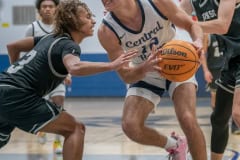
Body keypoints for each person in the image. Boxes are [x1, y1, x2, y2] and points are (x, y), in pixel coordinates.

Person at [0, 0, 136, 160]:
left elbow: (12, 46)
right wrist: (111, 65)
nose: (93, 20)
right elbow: (75, 67)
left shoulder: (48, 38)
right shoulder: (68, 45)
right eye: (87, 16)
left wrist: (15, 74)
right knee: (75, 129)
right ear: (73, 19)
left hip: (3, 86)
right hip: (19, 96)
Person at [98, 0, 207, 159]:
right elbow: (125, 75)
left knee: (188, 119)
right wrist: (144, 68)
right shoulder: (106, 31)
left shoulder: (156, 3)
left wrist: (197, 40)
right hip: (144, 71)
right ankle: (175, 145)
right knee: (130, 126)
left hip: (176, 62)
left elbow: (191, 25)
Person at [180, 0, 240, 159]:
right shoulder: (192, 1)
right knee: (219, 118)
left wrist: (191, 24)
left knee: (238, 112)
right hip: (230, 60)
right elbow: (171, 16)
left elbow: (222, 25)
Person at [25, 0, 69, 153]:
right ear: (39, 9)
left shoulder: (62, 28)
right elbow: (26, 53)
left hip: (56, 75)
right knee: (39, 109)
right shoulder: (32, 28)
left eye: (51, 6)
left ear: (56, 8)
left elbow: (67, 52)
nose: (48, 9)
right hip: (37, 77)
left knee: (58, 107)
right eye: (44, 6)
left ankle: (57, 142)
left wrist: (67, 72)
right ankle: (42, 129)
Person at [202, 33, 240, 135]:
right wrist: (205, 71)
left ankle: (235, 125)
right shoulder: (208, 35)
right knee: (215, 101)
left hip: (229, 68)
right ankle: (222, 121)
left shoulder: (231, 31)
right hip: (214, 70)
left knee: (235, 99)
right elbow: (202, 53)